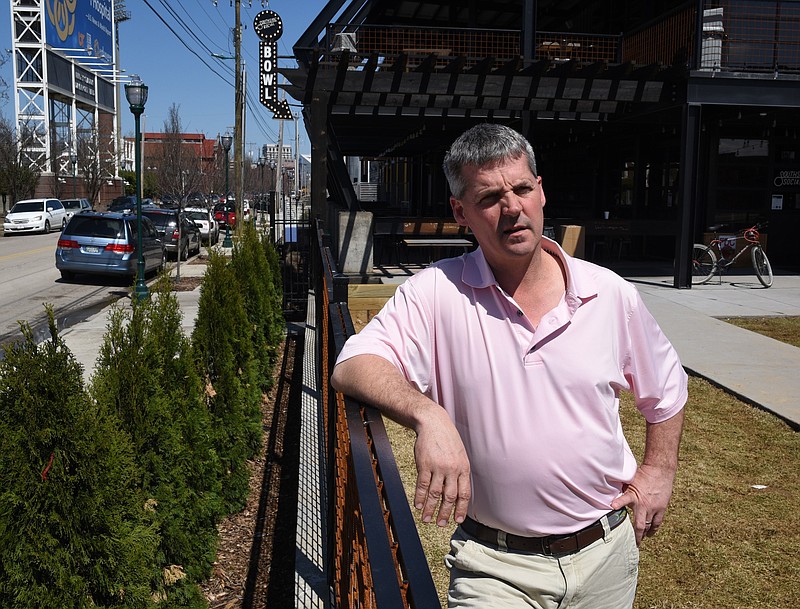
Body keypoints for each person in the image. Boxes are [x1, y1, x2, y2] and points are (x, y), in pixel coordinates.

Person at [331, 123, 687, 609]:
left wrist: (659, 471)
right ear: (461, 212)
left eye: (522, 188)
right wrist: (428, 415)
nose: (513, 207)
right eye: (490, 197)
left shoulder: (609, 293)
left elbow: (665, 389)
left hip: (606, 554)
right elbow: (352, 363)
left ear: (541, 191)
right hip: (495, 568)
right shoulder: (437, 293)